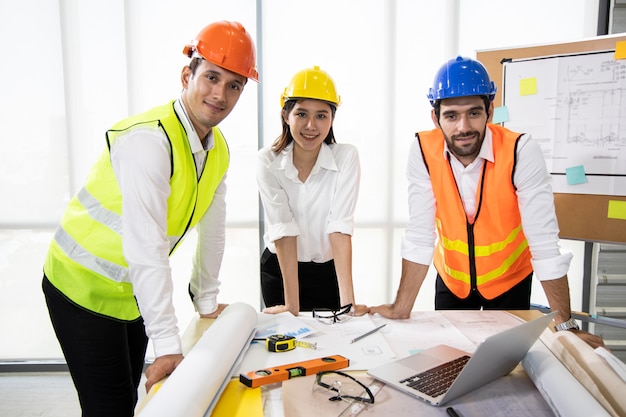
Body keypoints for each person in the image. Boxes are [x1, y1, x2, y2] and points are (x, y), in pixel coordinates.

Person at [41, 21, 258, 416]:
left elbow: (213, 230)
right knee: (109, 407)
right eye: (211, 77)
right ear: (186, 75)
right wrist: (169, 346)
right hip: (80, 286)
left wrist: (206, 299)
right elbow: (147, 247)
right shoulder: (149, 142)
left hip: (129, 292)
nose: (220, 94)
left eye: (234, 85)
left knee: (132, 396)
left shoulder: (218, 150)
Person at [369, 56, 604, 348]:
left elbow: (544, 244)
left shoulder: (521, 150)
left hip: (510, 281)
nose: (463, 127)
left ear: (490, 111)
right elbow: (419, 234)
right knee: (449, 361)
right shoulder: (422, 150)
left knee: (505, 364)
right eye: (452, 116)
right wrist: (400, 307)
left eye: (474, 113)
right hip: (452, 282)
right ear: (436, 117)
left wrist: (565, 326)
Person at [256, 66, 367, 318]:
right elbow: (282, 229)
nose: (310, 125)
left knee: (329, 345)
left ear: (332, 118)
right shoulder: (268, 161)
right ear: (286, 115)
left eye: (321, 116)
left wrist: (348, 303)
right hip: (280, 271)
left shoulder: (346, 157)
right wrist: (291, 308)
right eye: (301, 114)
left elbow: (339, 226)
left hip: (326, 272)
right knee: (287, 340)